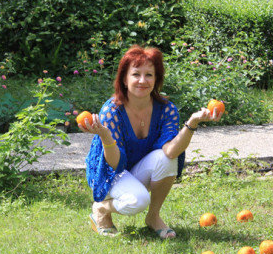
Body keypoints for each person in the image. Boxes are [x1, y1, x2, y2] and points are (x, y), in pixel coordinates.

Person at [81, 45, 222, 238]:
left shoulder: (166, 109)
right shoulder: (111, 111)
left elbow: (171, 152)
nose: (142, 80)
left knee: (167, 159)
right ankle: (101, 209)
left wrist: (192, 122)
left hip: (136, 170)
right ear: (124, 79)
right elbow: (114, 164)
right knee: (138, 200)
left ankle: (153, 217)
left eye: (149, 75)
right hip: (109, 174)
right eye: (136, 74)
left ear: (156, 79)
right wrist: (105, 136)